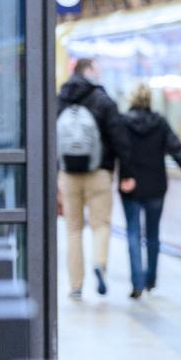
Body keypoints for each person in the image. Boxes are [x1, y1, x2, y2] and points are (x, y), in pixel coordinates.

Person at [56, 58, 135, 299]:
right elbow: (120, 139)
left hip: (68, 173)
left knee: (73, 229)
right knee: (100, 225)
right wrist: (127, 173)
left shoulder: (60, 99)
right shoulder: (103, 100)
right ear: (88, 72)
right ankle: (99, 264)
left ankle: (75, 285)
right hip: (100, 173)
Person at [118, 84, 181, 298]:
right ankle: (150, 280)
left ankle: (137, 284)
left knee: (133, 235)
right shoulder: (160, 123)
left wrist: (124, 176)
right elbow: (176, 147)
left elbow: (120, 151)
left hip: (131, 186)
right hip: (155, 186)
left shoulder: (123, 123)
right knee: (153, 235)